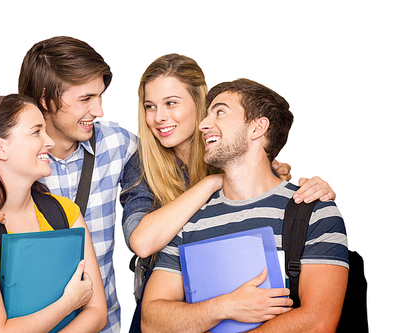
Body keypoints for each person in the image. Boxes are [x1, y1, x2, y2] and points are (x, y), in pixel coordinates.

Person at [0, 36, 137, 333]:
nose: (99, 111)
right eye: (85, 99)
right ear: (46, 100)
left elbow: (167, 168)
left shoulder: (117, 145)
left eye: (100, 96)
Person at [140, 79, 349, 332]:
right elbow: (151, 321)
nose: (203, 125)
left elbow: (317, 322)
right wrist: (225, 307)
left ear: (257, 128)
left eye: (220, 112)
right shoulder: (188, 219)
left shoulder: (313, 211)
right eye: (206, 115)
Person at [120, 53, 335, 279]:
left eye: (171, 103)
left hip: (233, 284)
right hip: (166, 292)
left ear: (199, 103)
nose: (159, 117)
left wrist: (314, 192)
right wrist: (213, 182)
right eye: (150, 106)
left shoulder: (230, 149)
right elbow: (142, 242)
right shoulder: (141, 164)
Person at [0, 94, 107, 332]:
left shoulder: (65, 212)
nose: (49, 141)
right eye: (36, 132)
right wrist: (68, 303)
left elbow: (97, 313)